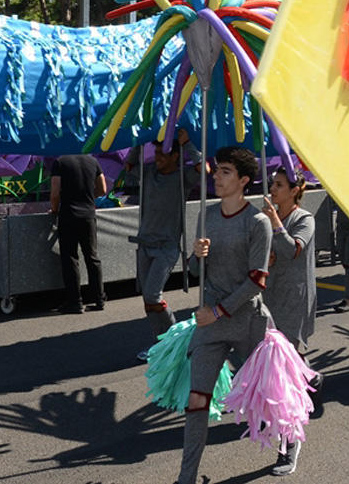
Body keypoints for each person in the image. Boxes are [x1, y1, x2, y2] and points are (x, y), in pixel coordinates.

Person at [176, 146, 272, 484]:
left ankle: (289, 445)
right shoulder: (207, 215)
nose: (216, 176)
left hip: (247, 323)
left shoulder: (258, 222)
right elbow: (194, 272)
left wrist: (218, 311)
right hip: (210, 326)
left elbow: (257, 281)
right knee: (197, 400)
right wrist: (196, 256)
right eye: (216, 170)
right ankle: (185, 478)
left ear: (244, 180)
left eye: (226, 172)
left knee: (270, 397)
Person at [261, 167, 316, 476]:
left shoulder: (304, 219)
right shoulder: (266, 216)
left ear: (295, 190)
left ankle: (289, 444)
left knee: (283, 376)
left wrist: (275, 224)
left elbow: (293, 249)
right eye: (272, 183)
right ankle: (312, 377)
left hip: (294, 302)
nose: (273, 189)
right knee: (274, 364)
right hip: (267, 300)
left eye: (279, 185)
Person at [126, 129, 199, 358]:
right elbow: (129, 169)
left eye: (162, 154)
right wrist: (138, 144)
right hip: (145, 245)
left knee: (152, 295)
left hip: (166, 247)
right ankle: (163, 345)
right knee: (147, 301)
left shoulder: (183, 177)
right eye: (155, 153)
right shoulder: (149, 173)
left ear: (175, 156)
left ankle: (175, 341)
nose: (157, 158)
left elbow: (203, 170)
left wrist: (187, 145)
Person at [50, 154, 108, 314]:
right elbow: (103, 189)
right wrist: (89, 196)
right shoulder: (93, 161)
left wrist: (54, 210)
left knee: (70, 258)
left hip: (68, 215)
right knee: (92, 257)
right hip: (88, 215)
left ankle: (75, 302)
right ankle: (99, 299)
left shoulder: (60, 162)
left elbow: (55, 193)